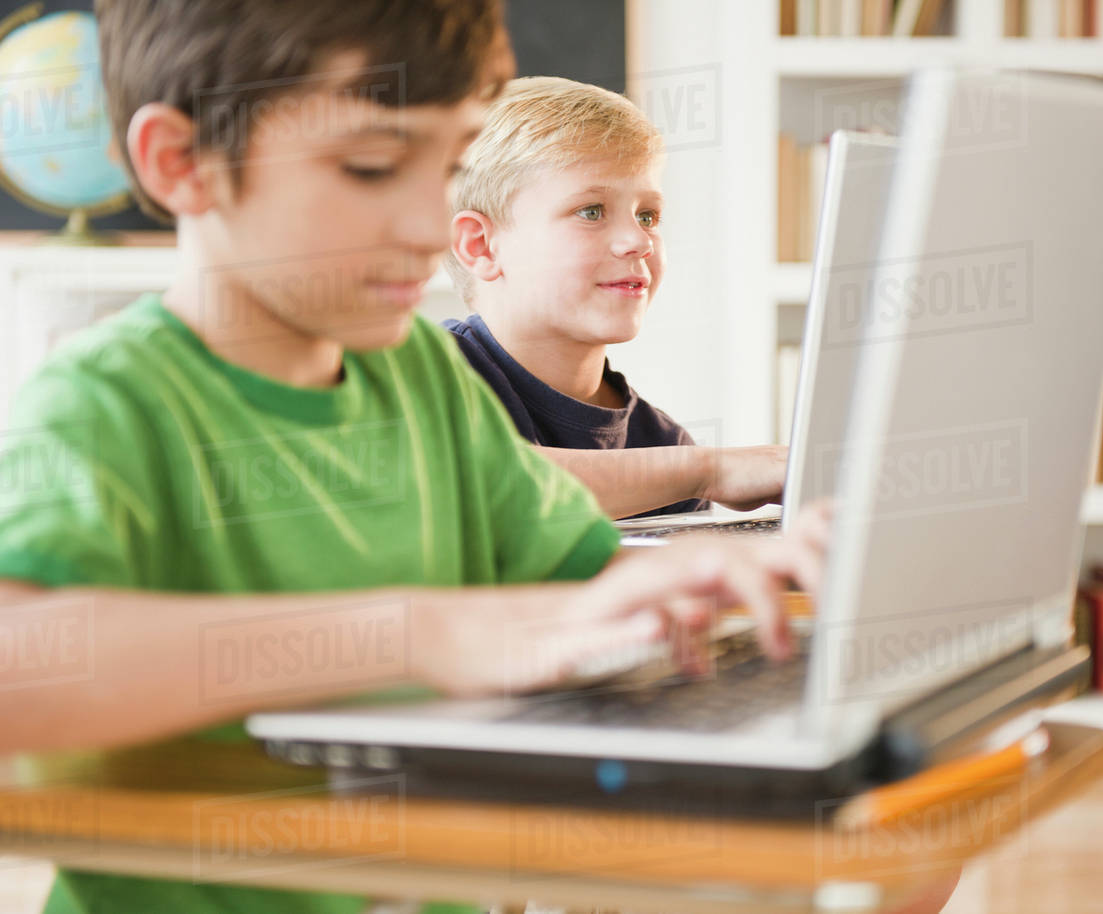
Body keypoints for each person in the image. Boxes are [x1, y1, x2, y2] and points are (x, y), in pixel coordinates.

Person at [0, 2, 829, 913]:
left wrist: (736, 572)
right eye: (370, 166)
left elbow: (588, 595)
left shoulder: (421, 377)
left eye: (449, 164)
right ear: (182, 163)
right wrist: (414, 631)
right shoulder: (106, 404)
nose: (434, 228)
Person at [444, 76, 787, 519]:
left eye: (648, 215)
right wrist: (708, 469)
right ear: (481, 246)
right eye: (591, 211)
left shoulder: (665, 445)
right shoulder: (426, 374)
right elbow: (480, 481)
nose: (638, 241)